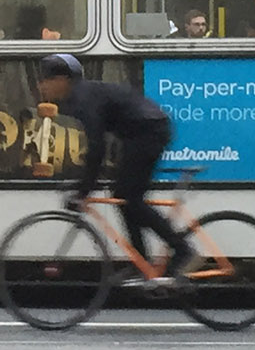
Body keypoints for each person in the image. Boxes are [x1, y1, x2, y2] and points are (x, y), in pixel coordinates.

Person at [36, 54, 191, 282]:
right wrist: (84, 187)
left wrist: (83, 192)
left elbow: (96, 148)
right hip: (140, 133)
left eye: (45, 80)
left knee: (130, 198)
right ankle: (142, 262)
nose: (41, 86)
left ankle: (183, 250)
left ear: (62, 80)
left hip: (148, 133)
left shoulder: (82, 99)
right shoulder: (80, 96)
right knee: (123, 197)